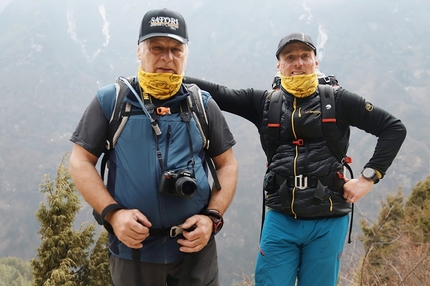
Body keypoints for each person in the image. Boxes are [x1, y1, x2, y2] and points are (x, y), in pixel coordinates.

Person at [184, 32, 407, 286]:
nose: (298, 63)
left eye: (305, 56)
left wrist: (369, 177)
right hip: (280, 217)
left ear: (316, 61)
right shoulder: (265, 103)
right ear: (279, 65)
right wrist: (166, 77)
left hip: (328, 217)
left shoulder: (338, 100)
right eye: (290, 57)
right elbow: (218, 93)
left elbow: (393, 128)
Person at [69, 8, 238, 286]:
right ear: (139, 51)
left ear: (186, 54)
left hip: (194, 253)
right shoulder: (112, 102)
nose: (167, 58)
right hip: (133, 253)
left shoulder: (202, 105)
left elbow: (227, 164)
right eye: (156, 48)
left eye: (176, 49)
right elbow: (80, 160)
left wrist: (212, 218)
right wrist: (113, 214)